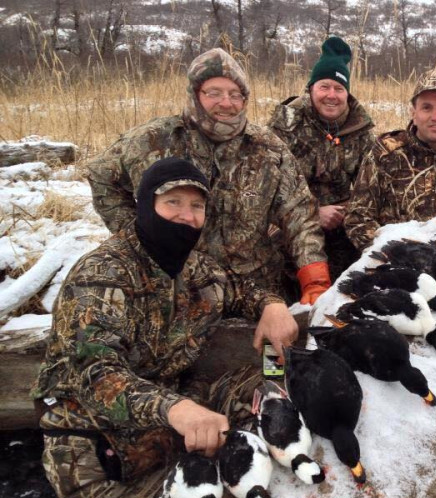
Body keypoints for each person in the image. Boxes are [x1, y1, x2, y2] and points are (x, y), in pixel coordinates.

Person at [32, 158, 268, 498]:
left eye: (197, 206)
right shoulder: (103, 274)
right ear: (145, 206)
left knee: (270, 385)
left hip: (172, 427)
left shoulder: (196, 268)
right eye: (173, 202)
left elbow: (240, 290)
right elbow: (97, 375)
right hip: (96, 443)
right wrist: (177, 410)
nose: (186, 216)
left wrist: (274, 307)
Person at [86, 48, 330, 359]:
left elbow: (300, 213)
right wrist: (137, 233)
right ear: (195, 93)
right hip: (177, 282)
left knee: (273, 362)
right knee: (179, 362)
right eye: (214, 92)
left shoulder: (268, 148)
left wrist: (314, 277)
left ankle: (272, 398)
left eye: (235, 94)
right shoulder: (154, 139)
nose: (226, 103)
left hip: (256, 287)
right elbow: (101, 176)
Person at [345, 69, 436, 251]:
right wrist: (390, 252)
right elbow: (357, 218)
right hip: (396, 265)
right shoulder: (386, 154)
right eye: (426, 107)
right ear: (413, 112)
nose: (435, 117)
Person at [270, 36, 375, 280]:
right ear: (311, 89)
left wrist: (346, 213)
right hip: (293, 224)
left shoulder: (362, 131)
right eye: (324, 87)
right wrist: (314, 212)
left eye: (339, 88)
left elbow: (370, 189)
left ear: (347, 94)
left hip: (344, 224)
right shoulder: (285, 127)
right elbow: (269, 192)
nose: (331, 95)